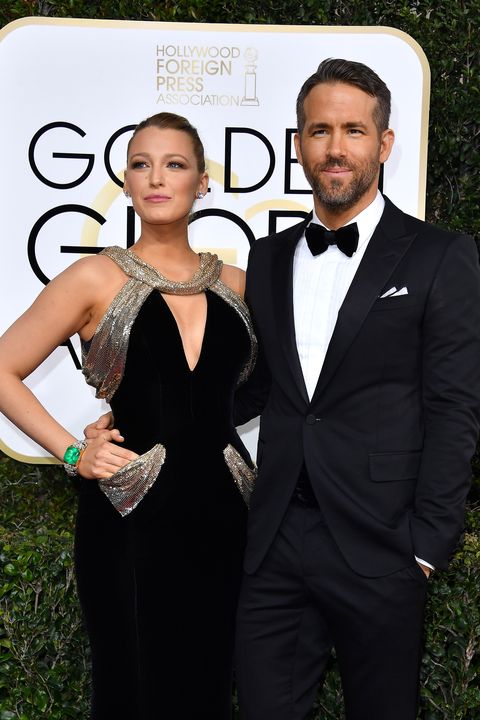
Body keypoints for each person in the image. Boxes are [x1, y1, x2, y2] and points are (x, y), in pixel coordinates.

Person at [233, 58, 480, 720]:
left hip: (383, 545)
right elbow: (251, 389)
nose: (335, 148)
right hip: (277, 542)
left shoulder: (438, 255)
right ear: (298, 145)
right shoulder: (267, 257)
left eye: (353, 130)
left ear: (384, 144)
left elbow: (454, 406)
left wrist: (427, 547)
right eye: (319, 131)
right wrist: (145, 415)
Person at [0, 112, 257, 719]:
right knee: (129, 684)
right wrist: (72, 449)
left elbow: (287, 389)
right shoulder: (95, 276)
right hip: (129, 510)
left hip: (226, 512)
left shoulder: (242, 285)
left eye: (175, 164)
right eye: (141, 164)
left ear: (203, 181)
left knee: (210, 686)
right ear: (125, 179)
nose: (156, 178)